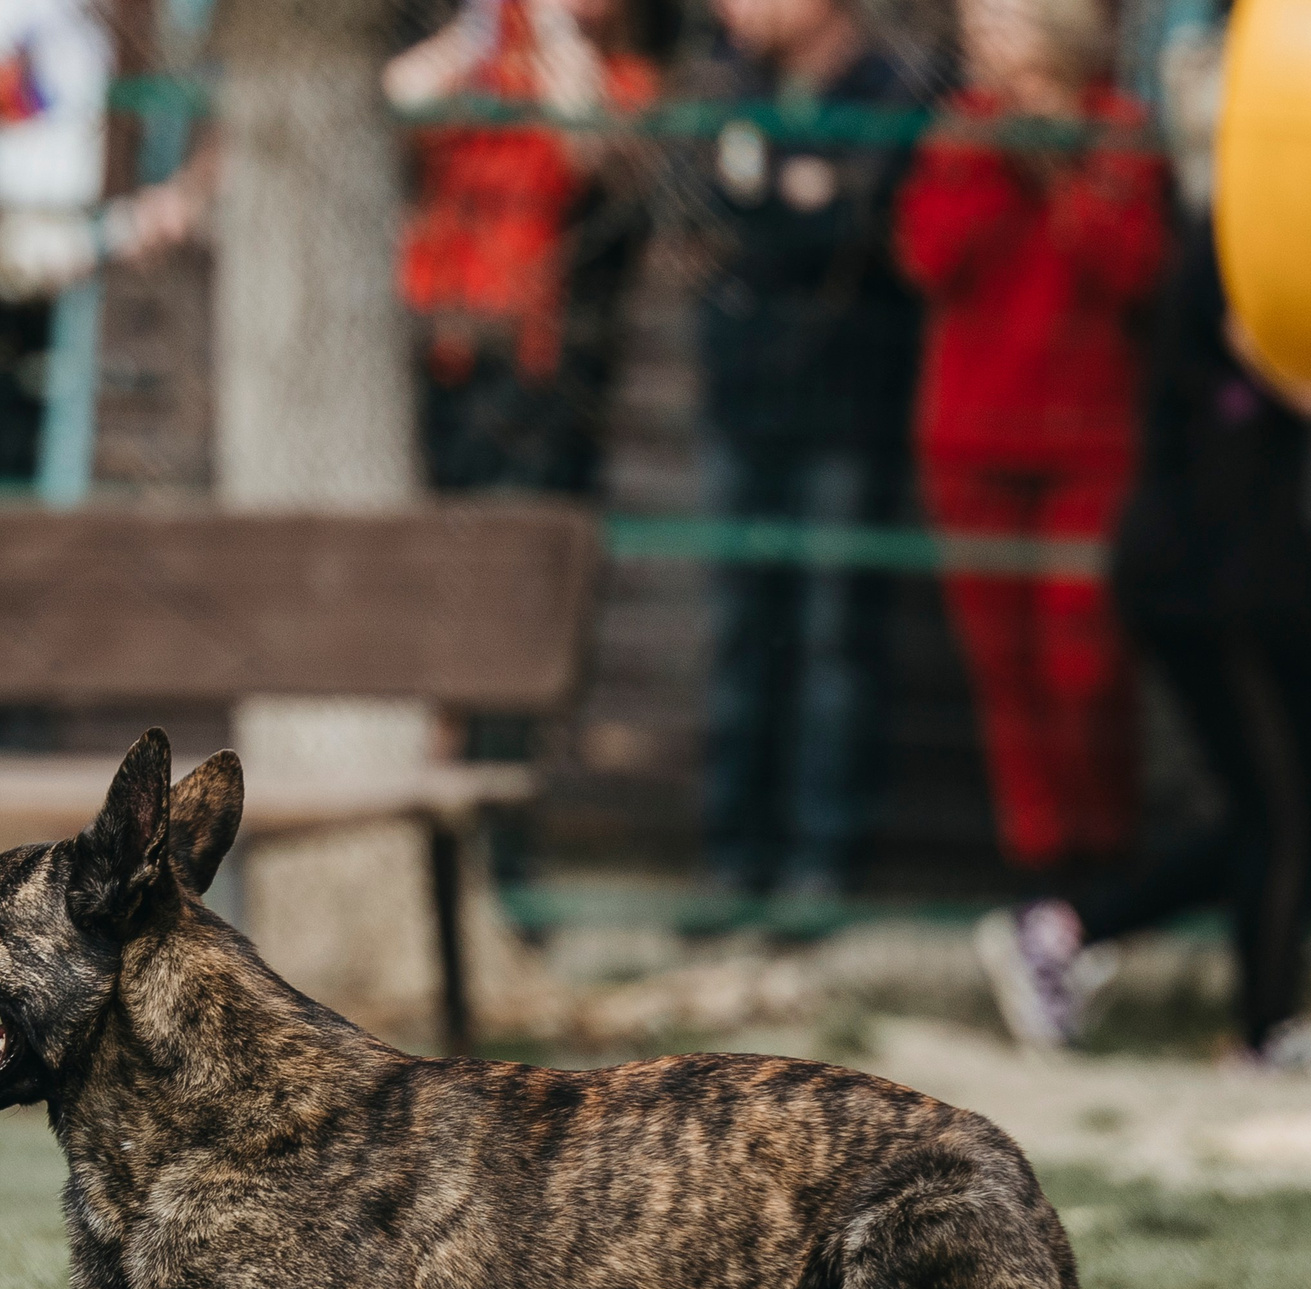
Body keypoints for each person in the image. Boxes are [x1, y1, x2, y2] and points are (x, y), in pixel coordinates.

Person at [976, 214, 1311, 1056]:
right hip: (1204, 585)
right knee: (1279, 818)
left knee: (1279, 814)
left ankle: (1067, 930)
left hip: (1264, 583)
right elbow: (1290, 373)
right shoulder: (1239, 238)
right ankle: (1261, 1032)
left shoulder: (1291, 237)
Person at [896, 0, 1167, 876]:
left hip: (1089, 444)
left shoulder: (1118, 132)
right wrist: (990, 156)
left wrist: (1059, 167)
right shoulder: (962, 133)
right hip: (972, 442)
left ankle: (1106, 856)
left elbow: (1130, 268)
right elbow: (931, 255)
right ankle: (1041, 868)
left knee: (1084, 661)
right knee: (1004, 670)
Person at [693, 0, 939, 899]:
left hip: (847, 402)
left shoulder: (890, 91)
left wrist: (785, 204)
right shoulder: (728, 86)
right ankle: (733, 861)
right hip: (743, 399)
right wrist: (799, 198)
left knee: (836, 638)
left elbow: (868, 226)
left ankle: (822, 866)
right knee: (741, 632)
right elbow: (699, 208)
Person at [384, 0, 663, 493]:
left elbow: (585, 146)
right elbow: (394, 99)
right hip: (446, 333)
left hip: (542, 352)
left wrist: (556, 36)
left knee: (532, 502)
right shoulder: (473, 71)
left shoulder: (622, 78)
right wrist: (477, 34)